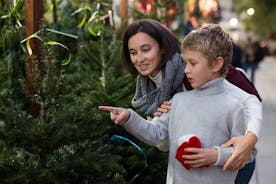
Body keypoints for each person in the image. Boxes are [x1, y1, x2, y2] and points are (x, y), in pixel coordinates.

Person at [99, 24, 256, 184]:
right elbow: (155, 133)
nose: (186, 70)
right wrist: (129, 117)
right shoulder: (176, 100)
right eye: (185, 62)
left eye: (192, 63)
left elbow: (247, 152)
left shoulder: (234, 107)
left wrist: (215, 155)